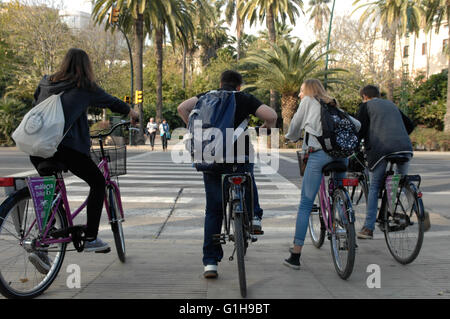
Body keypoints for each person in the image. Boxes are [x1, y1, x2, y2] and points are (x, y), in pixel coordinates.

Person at [28, 48, 139, 273]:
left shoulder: (45, 82)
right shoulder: (84, 87)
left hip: (36, 146)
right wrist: (132, 112)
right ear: (86, 66)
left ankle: (43, 244)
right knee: (98, 182)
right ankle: (90, 236)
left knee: (49, 189)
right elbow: (112, 102)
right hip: (65, 147)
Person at [177, 70, 277, 279]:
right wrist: (266, 127)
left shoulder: (206, 96)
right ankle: (255, 217)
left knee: (213, 210)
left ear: (220, 83)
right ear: (239, 86)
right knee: (248, 177)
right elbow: (271, 115)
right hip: (239, 157)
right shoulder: (243, 98)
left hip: (212, 158)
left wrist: (194, 128)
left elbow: (182, 108)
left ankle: (211, 263)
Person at [283, 79, 361, 270]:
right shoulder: (332, 103)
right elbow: (357, 125)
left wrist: (290, 137)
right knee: (339, 191)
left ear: (307, 91)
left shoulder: (308, 102)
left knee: (305, 205)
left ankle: (295, 255)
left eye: (301, 91)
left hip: (318, 156)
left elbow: (294, 127)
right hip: (341, 156)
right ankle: (348, 235)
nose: (300, 95)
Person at [355, 85, 415, 239]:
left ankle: (368, 228)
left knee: (374, 186)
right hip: (404, 147)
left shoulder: (366, 106)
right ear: (378, 95)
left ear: (364, 97)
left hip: (381, 149)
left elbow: (359, 129)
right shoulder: (391, 105)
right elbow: (410, 125)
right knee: (399, 180)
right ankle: (393, 211)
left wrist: (356, 146)